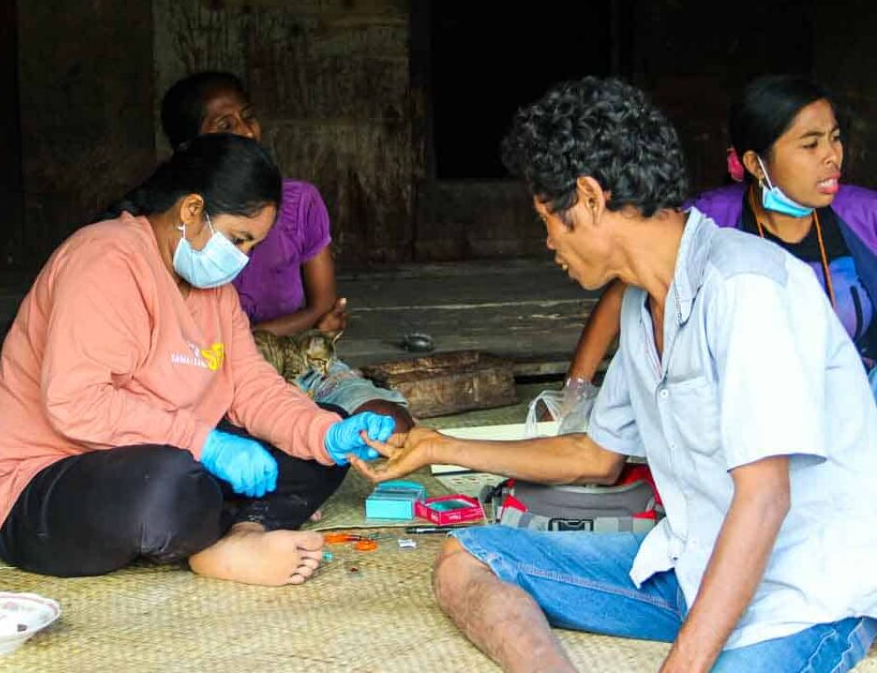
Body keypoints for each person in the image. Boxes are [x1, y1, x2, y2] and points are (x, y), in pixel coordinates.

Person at [352, 78, 877, 671]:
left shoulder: (746, 288)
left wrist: (682, 664)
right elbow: (598, 455)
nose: (548, 241)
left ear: (589, 197)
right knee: (468, 556)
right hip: (694, 568)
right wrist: (438, 446)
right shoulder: (641, 302)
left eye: (546, 218)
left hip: (801, 594)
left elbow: (764, 500)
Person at [0, 134, 394, 585]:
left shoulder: (215, 290)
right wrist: (206, 445)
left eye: (252, 247)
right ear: (191, 211)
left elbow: (251, 386)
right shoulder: (104, 260)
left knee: (317, 442)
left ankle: (242, 537)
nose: (243, 260)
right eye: (238, 239)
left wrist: (328, 434)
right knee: (167, 487)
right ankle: (213, 526)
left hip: (167, 452)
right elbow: (77, 404)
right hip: (42, 482)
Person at [567, 75, 877, 402]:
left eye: (835, 138)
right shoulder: (709, 220)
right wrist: (573, 394)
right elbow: (624, 291)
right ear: (755, 164)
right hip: (748, 413)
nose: (832, 156)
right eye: (811, 144)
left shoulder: (866, 215)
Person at [157, 71, 413, 431]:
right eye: (225, 124)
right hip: (203, 370)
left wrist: (292, 337)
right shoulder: (169, 220)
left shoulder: (298, 202)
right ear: (190, 146)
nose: (246, 131)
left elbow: (323, 305)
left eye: (249, 117)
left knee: (389, 425)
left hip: (296, 358)